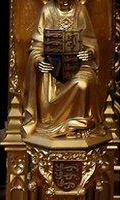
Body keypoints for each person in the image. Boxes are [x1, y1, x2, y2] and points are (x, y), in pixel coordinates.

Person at [24, 0, 102, 137]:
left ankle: (79, 125)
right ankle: (51, 123)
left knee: (83, 84)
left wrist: (89, 52)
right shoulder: (47, 10)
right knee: (46, 92)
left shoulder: (80, 10)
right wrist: (39, 61)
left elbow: (91, 43)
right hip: (52, 71)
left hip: (78, 67)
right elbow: (36, 47)